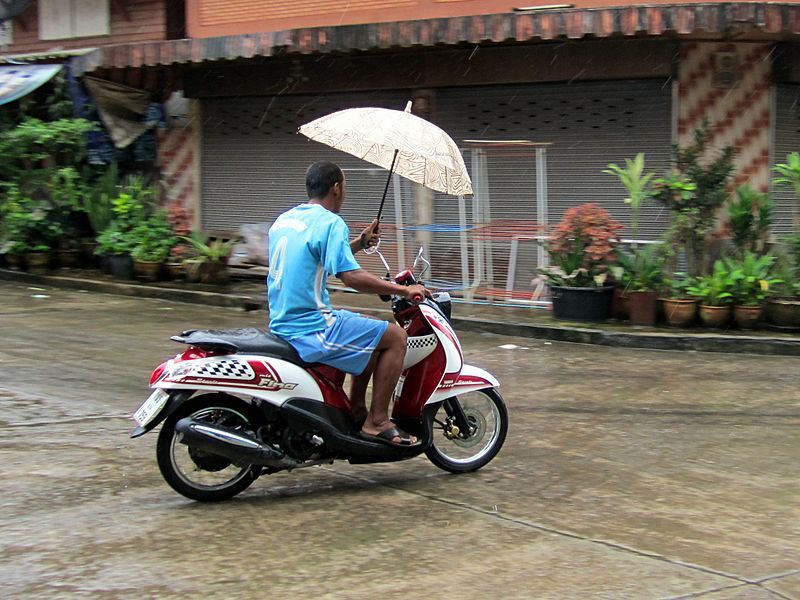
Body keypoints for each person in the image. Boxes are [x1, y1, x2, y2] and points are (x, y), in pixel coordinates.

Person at [267, 161, 430, 447]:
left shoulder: (286, 220)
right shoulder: (330, 223)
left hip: (283, 321)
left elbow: (312, 258)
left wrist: (360, 243)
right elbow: (352, 277)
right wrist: (403, 291)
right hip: (312, 327)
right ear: (336, 188)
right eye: (346, 187)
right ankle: (377, 422)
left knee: (368, 323)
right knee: (395, 337)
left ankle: (356, 410)